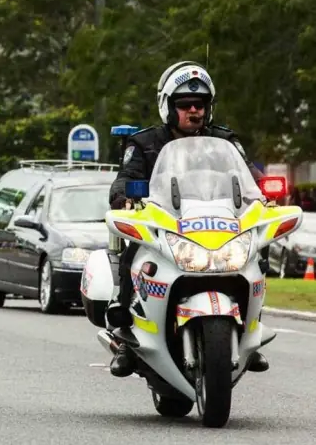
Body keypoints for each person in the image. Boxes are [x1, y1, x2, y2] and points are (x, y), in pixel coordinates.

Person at [105, 60, 270, 378]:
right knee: (131, 257)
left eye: (200, 104)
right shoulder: (143, 143)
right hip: (167, 224)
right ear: (167, 106)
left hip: (219, 226)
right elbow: (125, 178)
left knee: (256, 259)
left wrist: (265, 195)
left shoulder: (225, 141)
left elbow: (248, 176)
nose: (194, 110)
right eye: (185, 105)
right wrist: (123, 198)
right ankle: (125, 336)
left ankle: (252, 334)